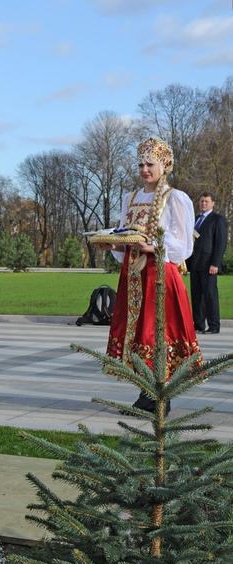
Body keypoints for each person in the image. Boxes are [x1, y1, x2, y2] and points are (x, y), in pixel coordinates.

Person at [97, 137, 202, 413]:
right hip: (133, 276)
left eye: (150, 164)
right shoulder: (129, 198)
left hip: (159, 275)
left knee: (155, 333)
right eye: (140, 163)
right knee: (136, 333)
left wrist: (153, 245)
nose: (144, 169)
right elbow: (124, 239)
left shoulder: (175, 198)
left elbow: (184, 246)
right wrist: (113, 245)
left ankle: (158, 398)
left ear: (163, 164)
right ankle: (146, 394)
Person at [186, 192, 228, 335]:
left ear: (213, 203)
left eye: (206, 201)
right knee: (196, 295)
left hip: (209, 264)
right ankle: (198, 324)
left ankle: (214, 325)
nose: (203, 203)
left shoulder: (218, 220)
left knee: (210, 295)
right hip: (195, 264)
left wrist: (216, 263)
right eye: (202, 201)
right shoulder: (195, 219)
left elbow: (220, 243)